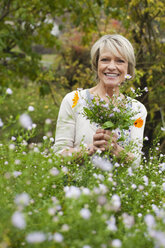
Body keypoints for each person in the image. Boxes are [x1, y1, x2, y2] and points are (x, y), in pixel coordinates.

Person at [54, 34, 147, 165]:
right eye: (105, 60)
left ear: (128, 68)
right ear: (96, 64)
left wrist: (115, 149)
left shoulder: (137, 109)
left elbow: (135, 162)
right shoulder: (74, 100)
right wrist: (90, 149)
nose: (111, 67)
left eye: (120, 61)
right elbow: (58, 156)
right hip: (78, 185)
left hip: (120, 185)